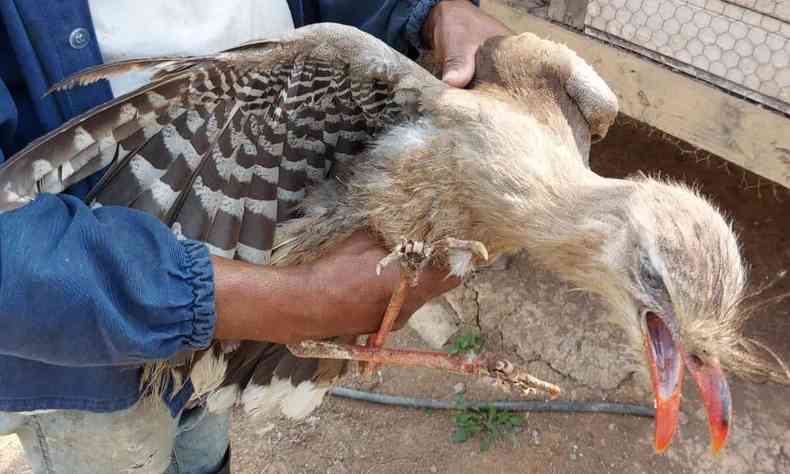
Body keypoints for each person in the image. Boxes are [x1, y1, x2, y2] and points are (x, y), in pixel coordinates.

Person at [0, 0, 512, 472]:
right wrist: (297, 300)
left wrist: (428, 10)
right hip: (79, 349)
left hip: (243, 251)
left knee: (203, 445)